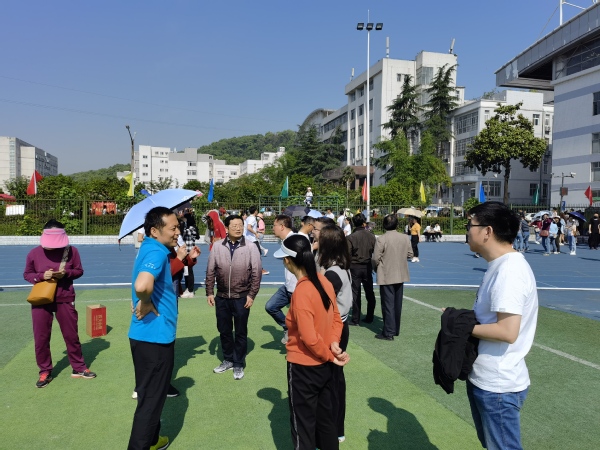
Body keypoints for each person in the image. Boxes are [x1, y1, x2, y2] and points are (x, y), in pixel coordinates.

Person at [463, 201, 538, 450]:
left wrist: (460, 326)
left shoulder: (509, 271)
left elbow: (507, 331)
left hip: (498, 384)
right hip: (488, 378)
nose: (467, 231)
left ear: (487, 231)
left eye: (470, 225)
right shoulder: (500, 265)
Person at [273, 234, 349, 450]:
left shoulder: (302, 290)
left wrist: (330, 354)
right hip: (323, 366)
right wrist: (333, 345)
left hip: (303, 367)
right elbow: (337, 318)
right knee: (326, 422)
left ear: (288, 261)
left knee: (303, 427)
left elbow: (308, 338)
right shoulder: (324, 281)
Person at [128, 207, 180, 450]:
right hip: (155, 339)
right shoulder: (157, 253)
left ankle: (152, 440)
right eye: (173, 228)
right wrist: (146, 300)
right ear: (154, 230)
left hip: (144, 336)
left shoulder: (149, 248)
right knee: (150, 402)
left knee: (150, 396)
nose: (177, 232)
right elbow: (142, 285)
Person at [23, 219, 96, 389]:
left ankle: (78, 367)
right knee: (41, 337)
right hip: (41, 299)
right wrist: (42, 276)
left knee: (71, 334)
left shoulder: (72, 251)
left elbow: (79, 271)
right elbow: (27, 274)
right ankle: (45, 370)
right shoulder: (34, 253)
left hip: (65, 297)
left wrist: (66, 273)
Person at [206, 214, 262, 380]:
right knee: (224, 330)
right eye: (234, 225)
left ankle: (238, 363)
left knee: (240, 331)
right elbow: (210, 270)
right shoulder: (217, 246)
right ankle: (228, 359)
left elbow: (256, 272)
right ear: (226, 228)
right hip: (222, 296)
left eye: (240, 225)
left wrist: (251, 294)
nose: (238, 228)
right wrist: (209, 292)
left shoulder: (250, 247)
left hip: (242, 297)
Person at [317, 225, 352, 443]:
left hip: (334, 330)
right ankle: (336, 428)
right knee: (335, 378)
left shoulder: (333, 273)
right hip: (339, 326)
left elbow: (320, 302)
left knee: (332, 380)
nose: (316, 238)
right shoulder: (338, 266)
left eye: (319, 237)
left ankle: (334, 428)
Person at [372, 214, 413, 341]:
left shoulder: (382, 239)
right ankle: (395, 329)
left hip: (386, 273)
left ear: (384, 225)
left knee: (388, 304)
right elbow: (410, 254)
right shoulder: (404, 237)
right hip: (400, 273)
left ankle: (388, 332)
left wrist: (376, 267)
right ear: (397, 224)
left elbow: (375, 258)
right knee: (397, 303)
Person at [265, 215, 297, 344]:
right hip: (288, 286)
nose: (272, 228)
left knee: (300, 319)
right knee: (271, 306)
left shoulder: (295, 240)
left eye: (274, 225)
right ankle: (288, 328)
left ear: (282, 226)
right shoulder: (285, 241)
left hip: (297, 287)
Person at [346, 213, 377, 326]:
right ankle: (370, 316)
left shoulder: (351, 237)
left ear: (354, 223)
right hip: (367, 265)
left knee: (355, 292)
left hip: (354, 266)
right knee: (369, 292)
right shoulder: (371, 236)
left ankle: (355, 319)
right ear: (364, 223)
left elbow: (347, 254)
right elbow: (375, 252)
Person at [245, 206, 269, 275]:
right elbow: (249, 227)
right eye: (257, 211)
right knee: (258, 255)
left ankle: (249, 269)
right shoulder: (252, 218)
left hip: (248, 239)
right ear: (255, 211)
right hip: (252, 240)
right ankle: (260, 270)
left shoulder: (248, 218)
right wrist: (255, 233)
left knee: (250, 255)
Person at [180, 213, 200, 298]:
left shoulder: (191, 229)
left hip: (190, 254)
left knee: (189, 271)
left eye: (185, 219)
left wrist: (182, 223)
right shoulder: (189, 228)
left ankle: (190, 290)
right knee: (186, 271)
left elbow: (183, 233)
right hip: (186, 253)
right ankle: (188, 288)